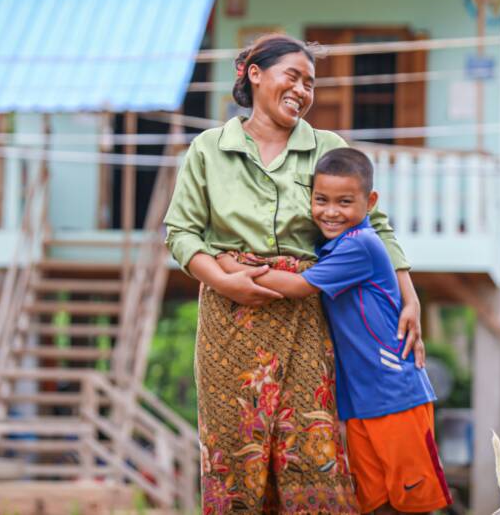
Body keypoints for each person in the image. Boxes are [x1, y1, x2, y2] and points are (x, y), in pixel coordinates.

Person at [164, 34, 425, 514]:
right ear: (255, 75)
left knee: (311, 449)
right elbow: (181, 233)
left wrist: (410, 299)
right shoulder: (208, 149)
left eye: (310, 83)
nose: (303, 90)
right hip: (228, 324)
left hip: (306, 316)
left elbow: (375, 228)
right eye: (294, 76)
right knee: (233, 454)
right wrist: (224, 281)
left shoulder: (327, 147)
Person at [216, 147, 452, 514]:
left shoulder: (361, 246)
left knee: (414, 501)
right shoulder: (333, 245)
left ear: (370, 201)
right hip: (361, 400)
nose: (330, 212)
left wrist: (230, 267)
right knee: (371, 500)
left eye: (345, 202)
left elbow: (296, 287)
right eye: (321, 200)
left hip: (396, 393)